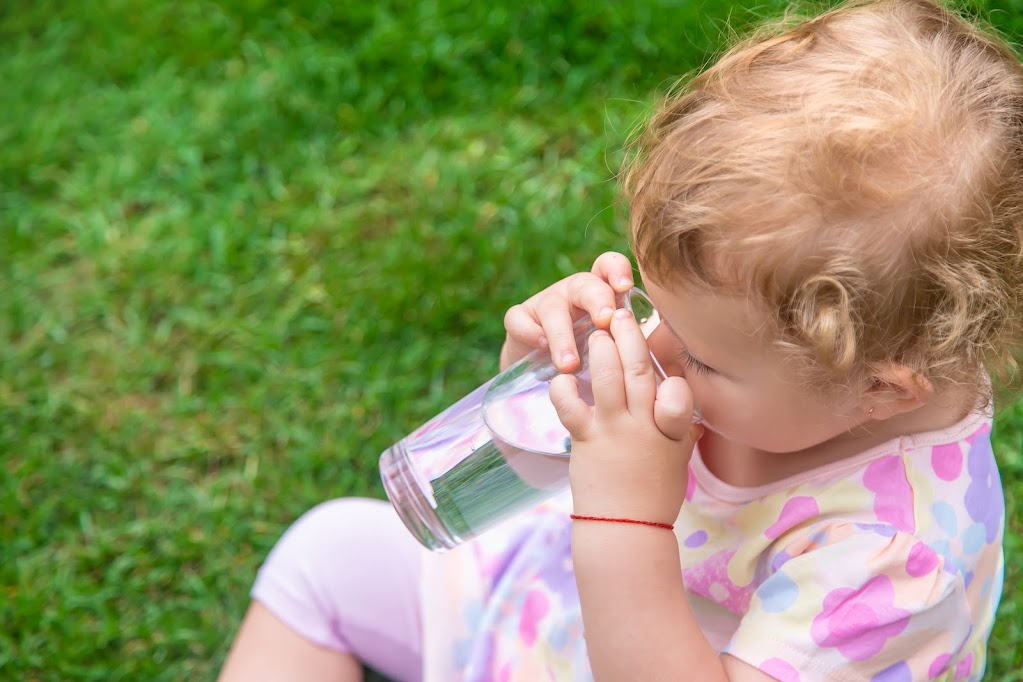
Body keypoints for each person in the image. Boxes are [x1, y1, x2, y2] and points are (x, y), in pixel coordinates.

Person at [217, 0, 1021, 679]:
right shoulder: (797, 382)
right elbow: (561, 456)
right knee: (326, 554)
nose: (652, 348)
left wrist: (621, 522)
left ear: (881, 386)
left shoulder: (889, 562)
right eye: (655, 305)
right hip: (552, 618)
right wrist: (545, 380)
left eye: (700, 356)